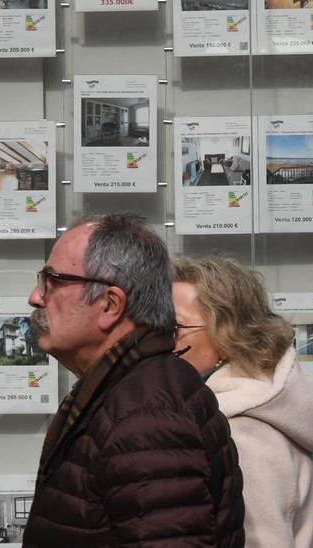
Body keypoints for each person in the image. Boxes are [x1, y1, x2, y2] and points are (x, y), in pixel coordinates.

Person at [22, 213, 245, 547]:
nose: (36, 297)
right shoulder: (130, 394)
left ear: (110, 305)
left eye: (52, 281)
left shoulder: (147, 416)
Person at [173, 256, 313, 548]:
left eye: (176, 327)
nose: (164, 342)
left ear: (227, 333)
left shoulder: (242, 427)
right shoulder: (257, 406)